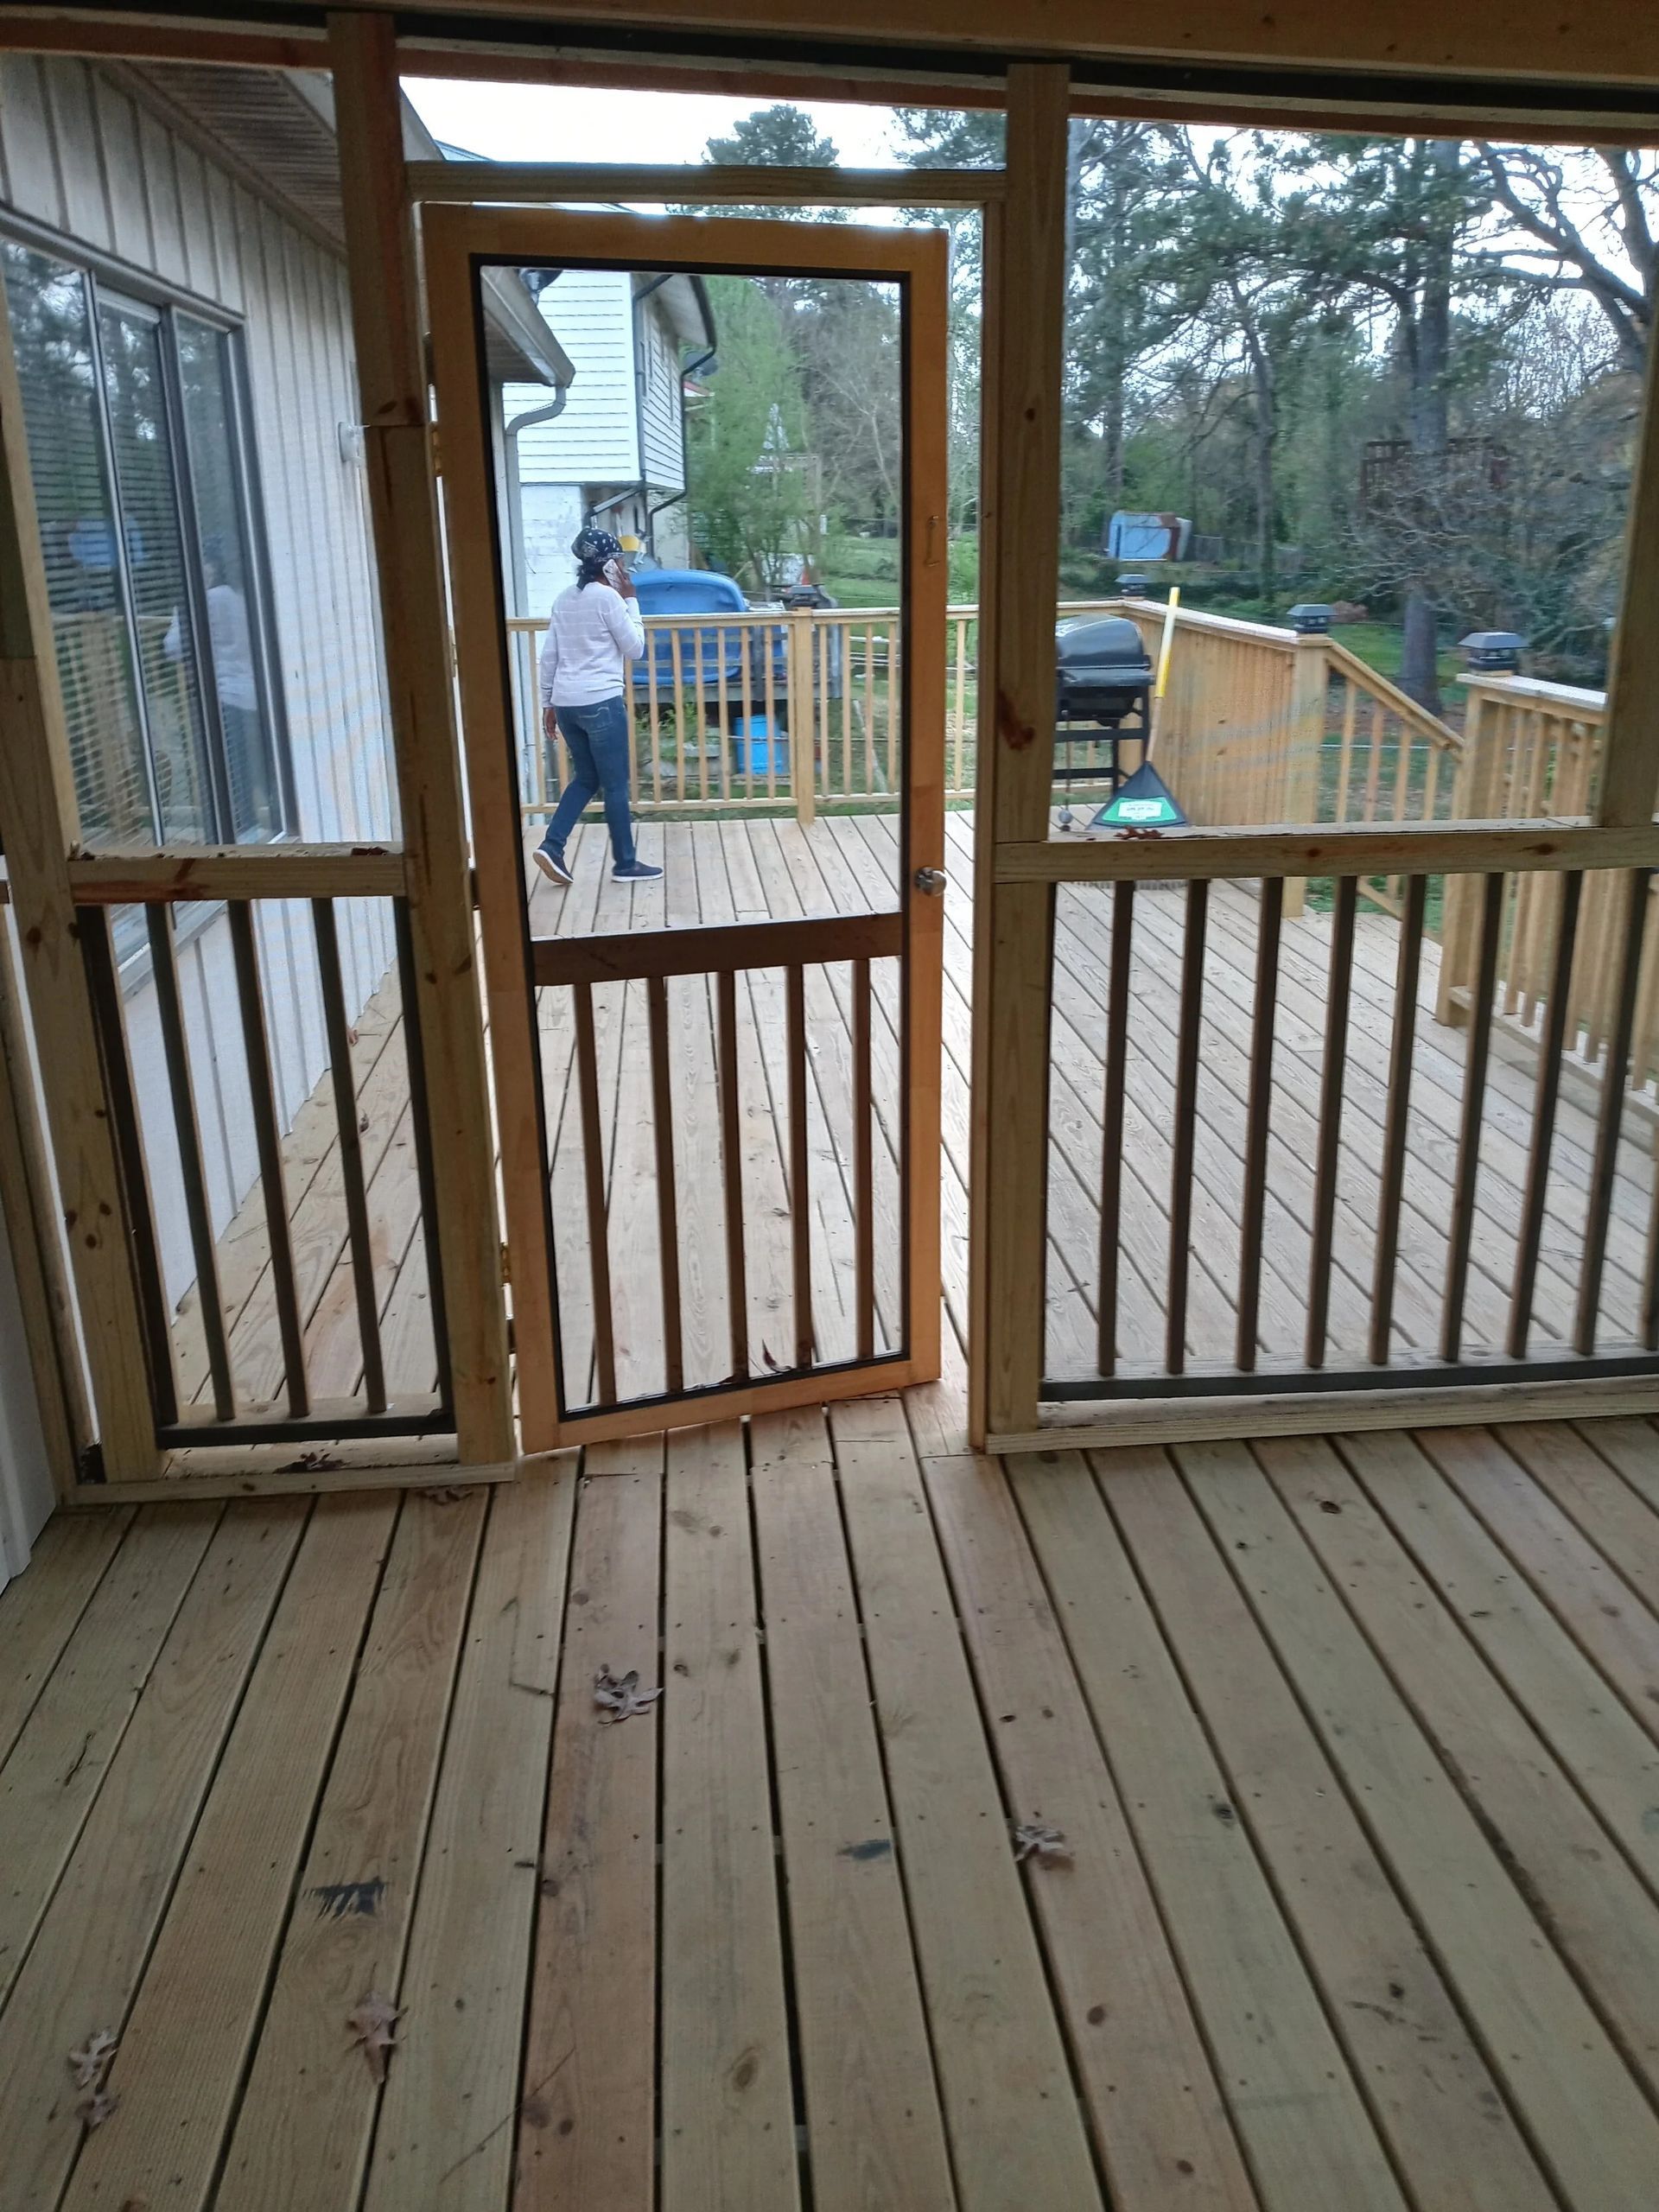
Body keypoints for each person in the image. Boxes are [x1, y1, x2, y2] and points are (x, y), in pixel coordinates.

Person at [534, 526, 662, 886]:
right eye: (620, 560)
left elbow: (550, 657)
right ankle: (625, 864)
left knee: (587, 778)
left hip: (567, 703)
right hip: (600, 702)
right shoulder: (609, 600)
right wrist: (632, 599)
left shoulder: (563, 599)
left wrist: (548, 703)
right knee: (616, 785)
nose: (624, 567)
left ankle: (552, 845)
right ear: (609, 566)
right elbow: (635, 648)